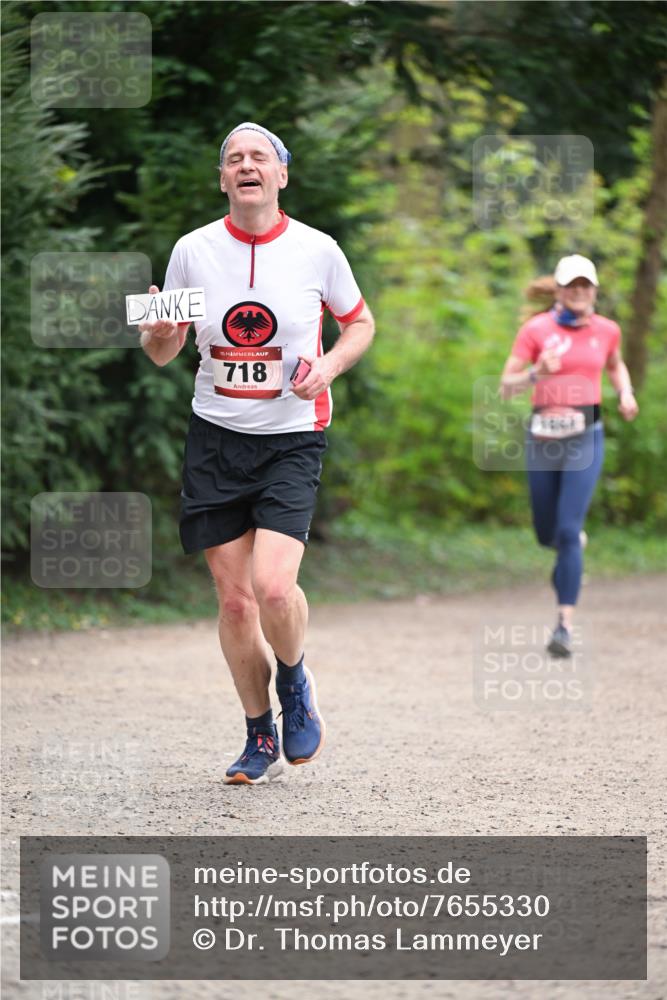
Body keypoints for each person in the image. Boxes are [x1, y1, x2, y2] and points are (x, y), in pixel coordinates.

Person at [138, 122, 374, 783]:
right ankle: (258, 734)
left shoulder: (317, 250)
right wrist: (157, 332)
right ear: (223, 179)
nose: (246, 164)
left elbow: (360, 322)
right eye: (234, 158)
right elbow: (163, 352)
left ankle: (294, 681)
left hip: (292, 436)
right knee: (236, 602)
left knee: (273, 588)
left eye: (259, 157)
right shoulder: (192, 250)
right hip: (216, 440)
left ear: (280, 175)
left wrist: (328, 365)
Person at [500, 254, 638, 656]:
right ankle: (568, 546)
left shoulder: (608, 330)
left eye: (585, 285)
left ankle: (564, 626)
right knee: (548, 533)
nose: (579, 292)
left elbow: (616, 365)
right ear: (559, 290)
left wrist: (626, 392)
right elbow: (505, 386)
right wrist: (536, 373)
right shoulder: (536, 330)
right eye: (572, 285)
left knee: (567, 530)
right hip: (543, 437)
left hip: (585, 437)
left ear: (594, 290)